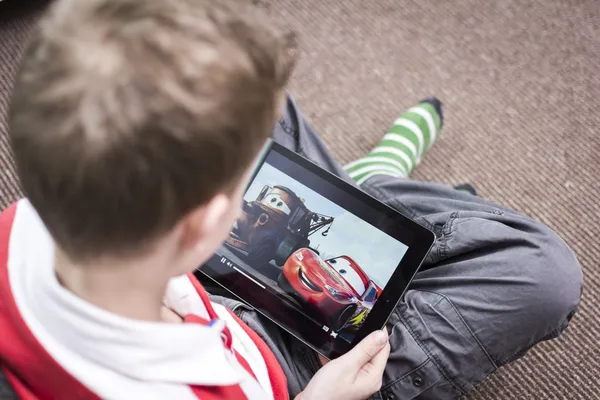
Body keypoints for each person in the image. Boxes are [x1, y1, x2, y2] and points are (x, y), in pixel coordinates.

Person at [0, 0, 582, 399]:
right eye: (245, 189)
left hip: (176, 279)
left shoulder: (14, 228)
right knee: (543, 273)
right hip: (287, 374)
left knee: (239, 96)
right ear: (205, 221)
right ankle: (369, 184)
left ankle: (359, 187)